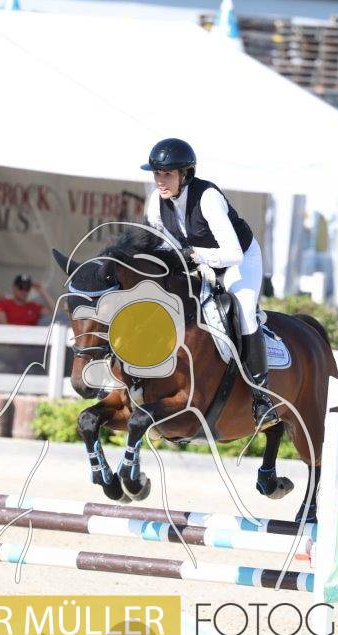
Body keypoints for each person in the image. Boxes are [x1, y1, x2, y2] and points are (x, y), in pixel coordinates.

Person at [141, 138, 270, 426]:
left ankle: (262, 398)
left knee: (244, 311)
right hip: (200, 262)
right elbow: (160, 244)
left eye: (167, 174)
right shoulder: (155, 202)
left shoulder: (208, 198)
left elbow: (233, 253)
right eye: (157, 174)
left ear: (184, 174)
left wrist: (195, 255)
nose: (160, 181)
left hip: (239, 261)